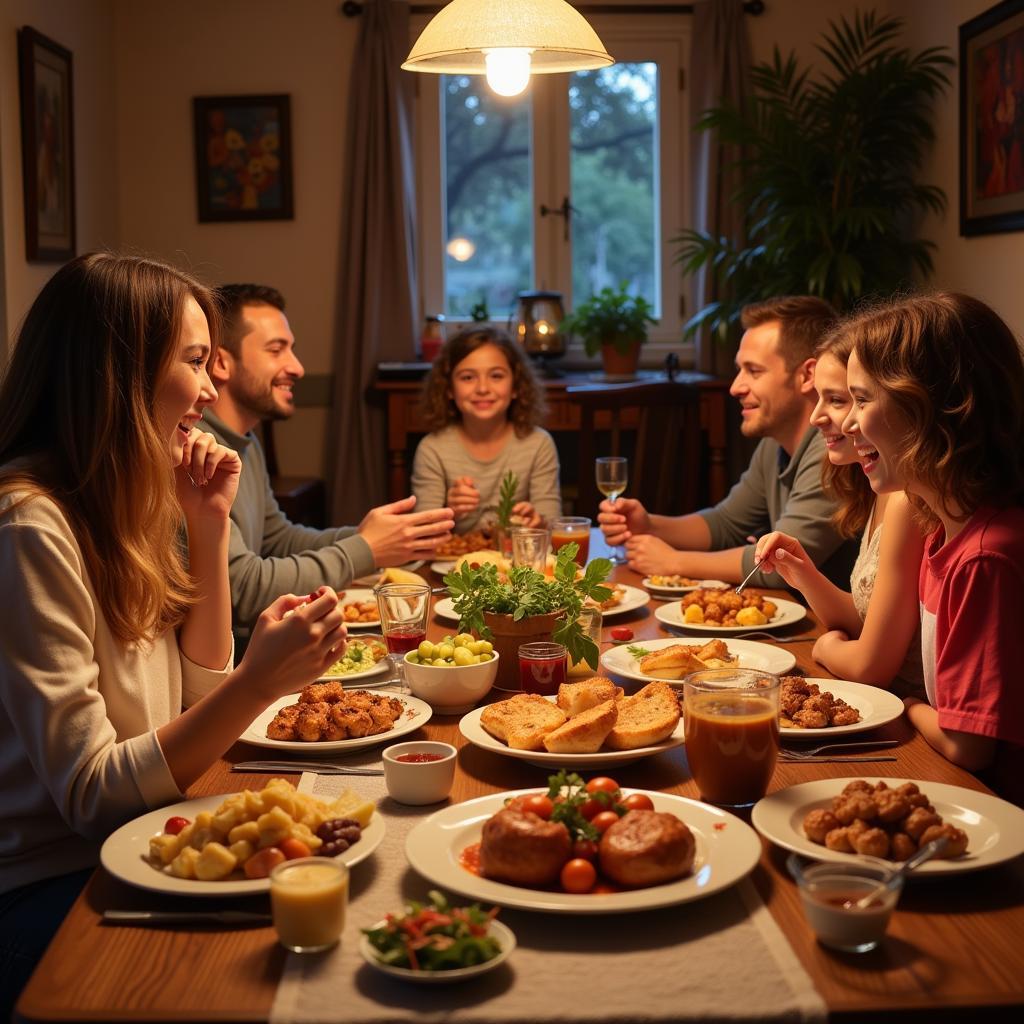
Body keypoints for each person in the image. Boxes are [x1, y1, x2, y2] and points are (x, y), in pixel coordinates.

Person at [0, 253, 348, 1015]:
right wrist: (260, 683)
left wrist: (207, 523)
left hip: (142, 838)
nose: (208, 388)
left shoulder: (137, 492)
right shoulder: (30, 525)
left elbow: (196, 698)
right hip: (56, 885)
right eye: (195, 362)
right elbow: (91, 797)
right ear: (116, 374)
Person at [839, 293, 1024, 804]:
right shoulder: (940, 528)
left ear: (926, 406)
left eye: (861, 399)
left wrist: (901, 701)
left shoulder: (985, 556)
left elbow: (968, 748)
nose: (847, 424)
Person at [200, 284, 454, 642]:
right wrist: (365, 550)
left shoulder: (245, 441)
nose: (298, 367)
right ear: (222, 362)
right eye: (277, 350)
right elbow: (241, 588)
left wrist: (371, 536)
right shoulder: (198, 453)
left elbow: (276, 539)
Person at [599, 296, 857, 588]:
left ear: (807, 375)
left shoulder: (835, 448)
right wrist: (650, 525)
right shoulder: (775, 444)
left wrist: (674, 562)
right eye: (739, 370)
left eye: (754, 371)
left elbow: (783, 564)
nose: (736, 387)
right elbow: (726, 523)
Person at [753, 331, 925, 693]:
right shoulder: (881, 490)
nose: (817, 417)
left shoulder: (904, 501)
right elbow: (867, 622)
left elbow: (870, 664)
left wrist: (827, 648)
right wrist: (803, 575)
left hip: (906, 710)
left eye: (838, 399)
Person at [412, 327, 562, 533]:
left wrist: (537, 521)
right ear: (448, 389)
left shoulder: (538, 444)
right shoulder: (432, 449)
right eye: (467, 378)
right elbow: (420, 535)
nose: (483, 388)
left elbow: (553, 527)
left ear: (516, 386)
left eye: (496, 376)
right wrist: (451, 512)